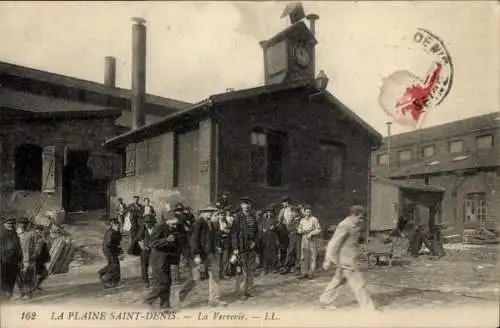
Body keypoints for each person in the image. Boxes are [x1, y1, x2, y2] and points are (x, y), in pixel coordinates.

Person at [320, 205, 377, 311]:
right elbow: (333, 242)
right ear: (354, 215)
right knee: (358, 283)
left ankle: (325, 301)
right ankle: (368, 308)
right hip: (346, 261)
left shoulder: (354, 224)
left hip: (349, 259)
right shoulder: (345, 225)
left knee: (338, 280)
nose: (361, 220)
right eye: (360, 217)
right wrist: (328, 259)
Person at [178, 204, 228, 308]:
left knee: (215, 274)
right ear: (203, 212)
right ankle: (180, 295)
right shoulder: (198, 222)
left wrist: (216, 247)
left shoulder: (211, 223)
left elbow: (211, 238)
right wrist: (196, 255)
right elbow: (194, 240)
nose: (211, 213)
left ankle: (214, 300)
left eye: (212, 211)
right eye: (208, 211)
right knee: (195, 277)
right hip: (201, 255)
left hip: (211, 253)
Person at [143, 212, 181, 312]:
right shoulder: (159, 227)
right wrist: (166, 240)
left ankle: (165, 305)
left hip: (167, 260)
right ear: (167, 221)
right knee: (162, 283)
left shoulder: (173, 228)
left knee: (168, 282)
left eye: (176, 224)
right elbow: (152, 243)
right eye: (173, 224)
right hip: (158, 261)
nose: (175, 226)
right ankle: (148, 300)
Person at [231, 197, 260, 300]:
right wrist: (235, 248)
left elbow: (257, 233)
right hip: (241, 247)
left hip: (251, 247)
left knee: (251, 270)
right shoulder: (238, 217)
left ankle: (249, 290)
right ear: (241, 205)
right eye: (244, 204)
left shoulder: (253, 217)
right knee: (242, 270)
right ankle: (241, 292)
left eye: (248, 204)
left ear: (250, 205)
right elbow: (234, 234)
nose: (247, 206)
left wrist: (254, 242)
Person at [0, 217, 23, 300]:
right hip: (4, 259)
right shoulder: (2, 234)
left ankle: (9, 294)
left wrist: (20, 258)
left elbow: (18, 247)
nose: (10, 225)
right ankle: (3, 295)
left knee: (12, 277)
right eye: (8, 224)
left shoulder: (15, 234)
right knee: (4, 277)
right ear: (4, 225)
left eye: (12, 224)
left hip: (15, 259)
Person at [16, 217, 39, 300]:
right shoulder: (16, 234)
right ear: (18, 224)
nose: (22, 225)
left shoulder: (32, 233)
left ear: (27, 224)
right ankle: (21, 293)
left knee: (28, 275)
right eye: (20, 223)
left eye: (24, 223)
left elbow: (38, 245)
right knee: (19, 276)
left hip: (29, 258)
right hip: (18, 258)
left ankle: (29, 293)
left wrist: (35, 254)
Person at [297, 205, 322, 279]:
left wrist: (311, 233)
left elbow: (319, 229)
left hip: (312, 239)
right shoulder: (302, 220)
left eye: (309, 212)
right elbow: (299, 229)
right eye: (307, 212)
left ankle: (311, 273)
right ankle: (304, 272)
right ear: (304, 212)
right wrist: (301, 231)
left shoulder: (314, 219)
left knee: (312, 255)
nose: (308, 213)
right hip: (304, 238)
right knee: (304, 255)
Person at [98, 218, 123, 289]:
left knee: (116, 264)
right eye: (116, 225)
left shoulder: (118, 232)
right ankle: (104, 275)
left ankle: (115, 280)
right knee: (113, 265)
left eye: (119, 225)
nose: (118, 227)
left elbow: (118, 243)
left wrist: (120, 251)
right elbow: (108, 244)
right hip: (108, 250)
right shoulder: (110, 233)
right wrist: (117, 248)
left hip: (114, 250)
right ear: (113, 225)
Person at [280, 206, 302, 275]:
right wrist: (293, 230)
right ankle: (287, 267)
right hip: (292, 237)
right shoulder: (291, 220)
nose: (294, 213)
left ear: (298, 213)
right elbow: (288, 228)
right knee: (290, 251)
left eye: (295, 212)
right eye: (293, 212)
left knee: (298, 252)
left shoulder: (301, 220)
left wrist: (295, 230)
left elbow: (300, 229)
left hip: (299, 237)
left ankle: (297, 268)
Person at [137, 214, 157, 288]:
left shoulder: (157, 229)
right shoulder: (143, 229)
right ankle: (146, 281)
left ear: (153, 222)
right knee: (144, 265)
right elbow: (139, 240)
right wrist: (143, 247)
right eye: (146, 222)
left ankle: (156, 279)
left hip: (154, 249)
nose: (147, 224)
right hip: (145, 249)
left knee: (156, 264)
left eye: (149, 222)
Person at [261, 206, 280, 274]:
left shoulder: (275, 220)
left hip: (272, 238)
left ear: (272, 213)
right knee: (265, 253)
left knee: (273, 252)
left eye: (270, 212)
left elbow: (277, 228)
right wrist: (263, 230)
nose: (269, 213)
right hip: (265, 238)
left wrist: (274, 227)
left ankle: (274, 268)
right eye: (267, 212)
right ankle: (265, 269)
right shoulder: (264, 220)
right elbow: (262, 228)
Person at [33, 225, 51, 291]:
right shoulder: (34, 237)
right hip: (36, 259)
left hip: (41, 259)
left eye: (41, 230)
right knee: (35, 274)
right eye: (39, 230)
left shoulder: (42, 238)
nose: (40, 231)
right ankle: (33, 287)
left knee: (44, 274)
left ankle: (36, 286)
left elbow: (44, 249)